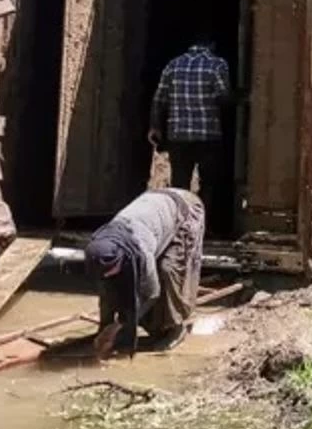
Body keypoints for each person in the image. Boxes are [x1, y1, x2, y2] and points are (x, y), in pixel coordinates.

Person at [86, 188, 206, 357]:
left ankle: (176, 328)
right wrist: (105, 326)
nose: (106, 275)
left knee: (168, 269)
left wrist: (119, 324)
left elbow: (151, 293)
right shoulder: (101, 245)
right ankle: (154, 324)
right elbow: (106, 293)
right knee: (113, 284)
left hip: (184, 209)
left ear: (122, 258)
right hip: (155, 208)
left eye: (110, 270)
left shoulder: (139, 248)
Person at [149, 29, 231, 211]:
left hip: (178, 135)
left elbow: (159, 99)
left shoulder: (173, 65)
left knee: (180, 182)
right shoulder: (217, 65)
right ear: (212, 45)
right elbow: (224, 98)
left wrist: (155, 127)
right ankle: (204, 224)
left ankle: (179, 224)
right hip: (208, 135)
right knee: (209, 181)